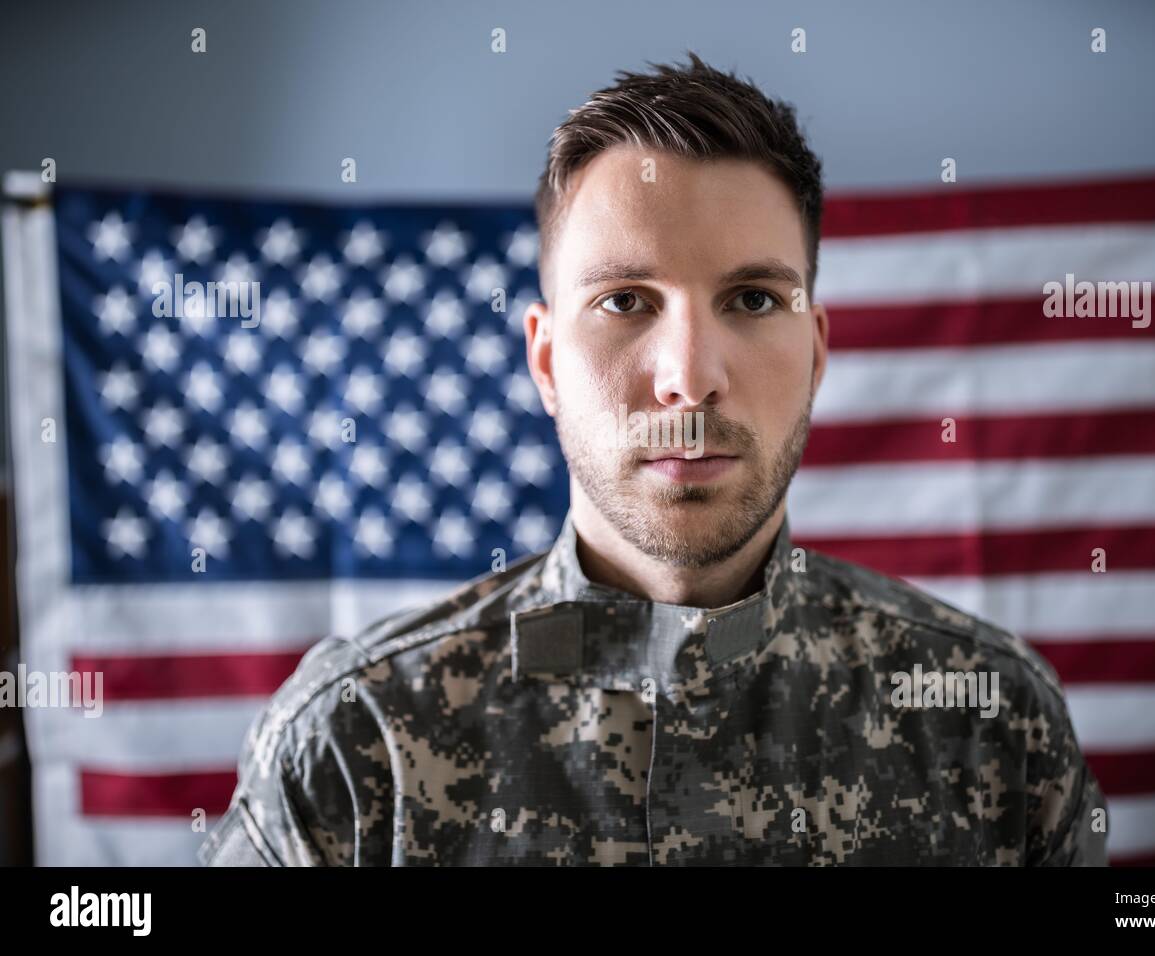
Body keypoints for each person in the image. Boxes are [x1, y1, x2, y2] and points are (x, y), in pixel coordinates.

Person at [200, 52, 1107, 866]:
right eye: (627, 301)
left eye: (752, 299)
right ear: (547, 360)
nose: (690, 378)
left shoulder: (992, 721)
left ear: (819, 353)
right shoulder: (358, 748)